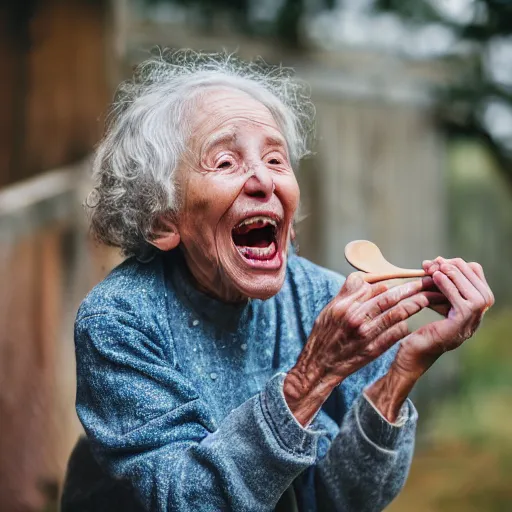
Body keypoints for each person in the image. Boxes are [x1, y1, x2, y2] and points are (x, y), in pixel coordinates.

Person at [61, 50, 494, 512]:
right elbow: (185, 501)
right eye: (225, 163)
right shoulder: (119, 320)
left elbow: (343, 500)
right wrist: (311, 377)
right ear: (163, 220)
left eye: (275, 158)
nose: (263, 180)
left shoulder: (321, 300)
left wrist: (402, 372)